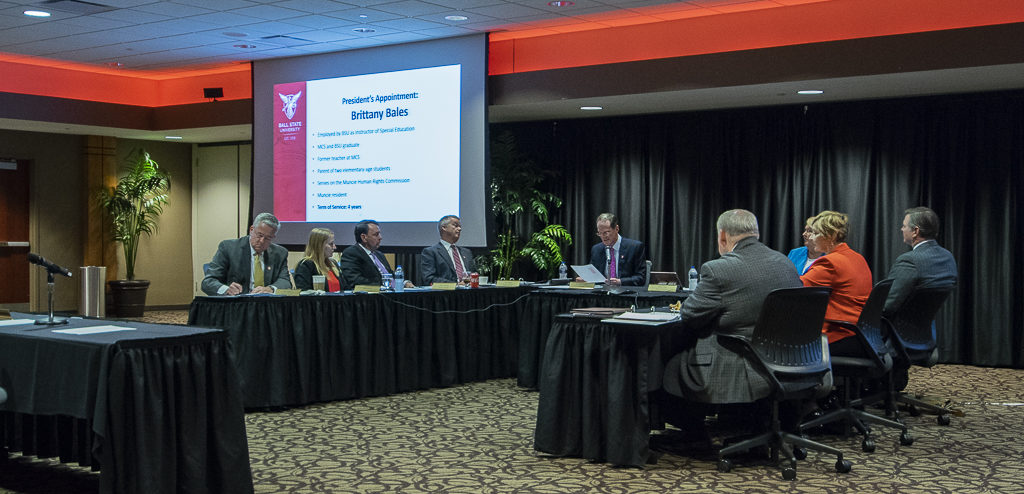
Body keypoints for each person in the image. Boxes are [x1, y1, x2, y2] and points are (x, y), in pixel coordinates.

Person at [663, 209, 803, 407]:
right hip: (789, 360)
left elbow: (689, 314)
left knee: (670, 364)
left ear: (722, 235)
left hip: (743, 363)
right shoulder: (785, 262)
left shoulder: (718, 269)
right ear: (756, 233)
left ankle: (696, 434)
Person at [799, 211, 872, 355]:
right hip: (860, 333)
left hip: (839, 334)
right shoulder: (857, 257)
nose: (811, 238)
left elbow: (795, 288)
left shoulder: (830, 263)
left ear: (830, 236)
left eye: (815, 233)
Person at [883, 207, 958, 316]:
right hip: (926, 331)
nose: (901, 229)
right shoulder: (948, 257)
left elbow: (888, 306)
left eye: (904, 226)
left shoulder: (909, 261)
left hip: (896, 330)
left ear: (915, 231)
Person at [201, 212, 291, 295]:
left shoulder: (280, 253)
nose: (262, 241)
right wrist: (226, 289)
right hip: (237, 306)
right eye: (259, 235)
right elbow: (208, 282)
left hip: (266, 306)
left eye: (268, 238)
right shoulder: (228, 248)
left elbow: (285, 281)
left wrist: (270, 289)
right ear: (251, 229)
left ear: (273, 237)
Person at [339, 220, 414, 290]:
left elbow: (389, 275)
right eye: (376, 235)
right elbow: (355, 280)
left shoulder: (379, 254)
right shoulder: (351, 253)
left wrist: (403, 283)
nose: (380, 238)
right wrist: (383, 286)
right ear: (364, 237)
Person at [586, 213, 647, 286]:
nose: (603, 237)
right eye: (600, 233)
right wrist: (586, 278)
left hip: (627, 293)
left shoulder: (634, 247)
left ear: (616, 229)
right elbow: (593, 275)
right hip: (602, 293)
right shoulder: (596, 249)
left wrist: (620, 282)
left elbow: (641, 278)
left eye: (606, 233)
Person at [420, 215, 476, 285]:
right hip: (446, 294)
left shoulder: (466, 252)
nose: (459, 229)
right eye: (455, 225)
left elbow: (474, 274)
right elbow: (429, 279)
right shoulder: (431, 252)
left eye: (460, 226)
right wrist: (456, 285)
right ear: (444, 227)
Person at [294, 227, 344, 292]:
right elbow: (303, 292)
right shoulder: (305, 265)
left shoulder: (333, 263)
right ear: (320, 245)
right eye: (331, 244)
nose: (334, 247)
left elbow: (344, 289)